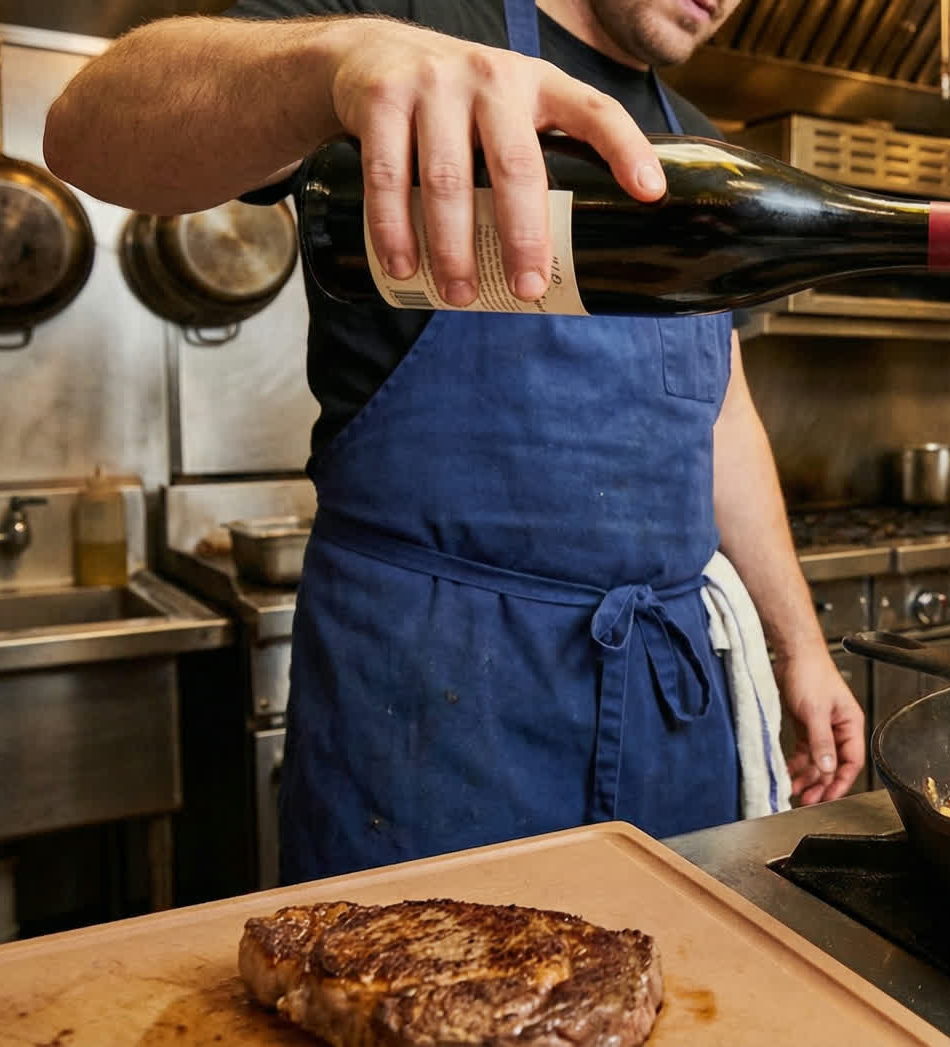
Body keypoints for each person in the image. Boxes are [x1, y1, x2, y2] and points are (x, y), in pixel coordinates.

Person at [43, 0, 866, 882]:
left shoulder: (702, 153)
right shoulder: (413, 24)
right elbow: (86, 132)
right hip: (433, 710)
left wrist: (801, 647)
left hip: (670, 718)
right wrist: (339, 57)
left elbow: (722, 414)